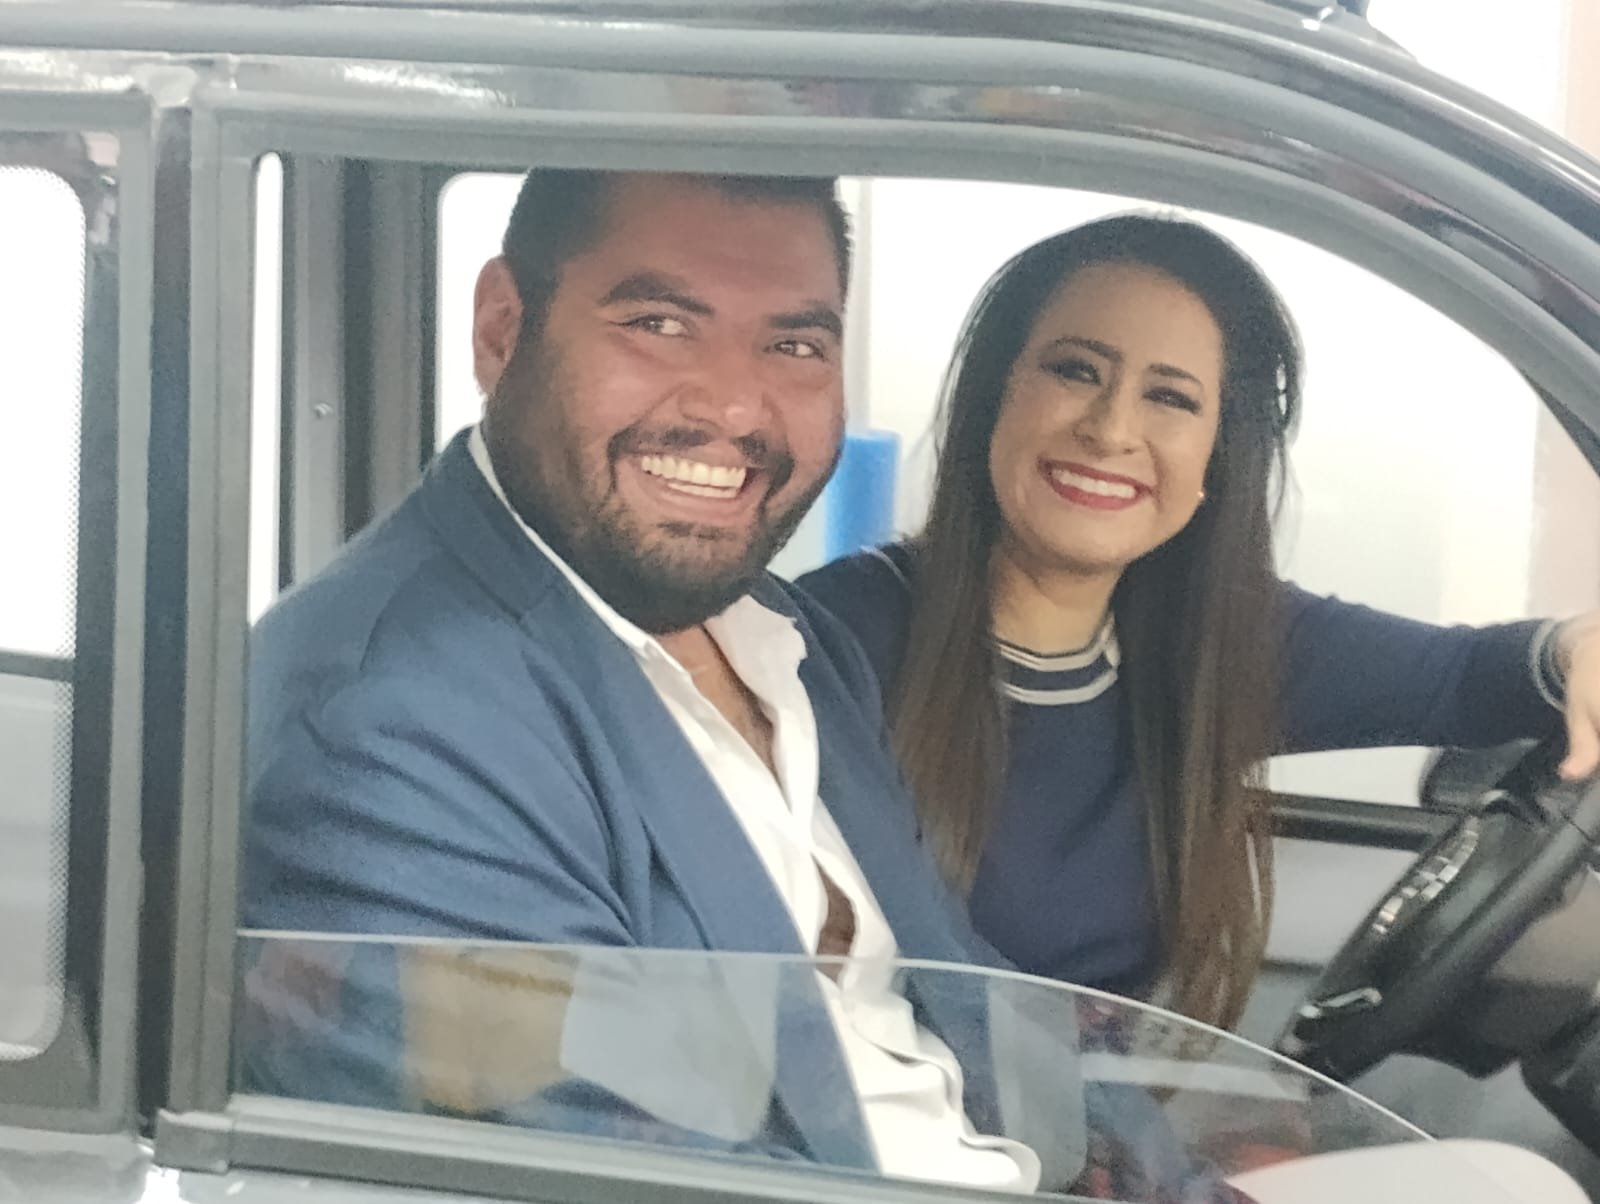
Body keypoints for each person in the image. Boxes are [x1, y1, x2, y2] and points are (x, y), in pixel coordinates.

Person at [241, 167, 1123, 1195]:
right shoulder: (382, 728)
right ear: (501, 329)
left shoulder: (788, 638)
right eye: (659, 324)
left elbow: (958, 982)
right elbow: (617, 1172)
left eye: (794, 346)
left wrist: (1187, 1176)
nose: (737, 407)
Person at [797, 214, 1600, 1031]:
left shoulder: (1210, 645)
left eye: (1170, 398)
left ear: (1216, 457)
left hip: (1083, 1104)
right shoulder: (825, 643)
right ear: (994, 399)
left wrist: (1577, 648)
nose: (1111, 430)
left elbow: (1471, 675)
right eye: (1075, 371)